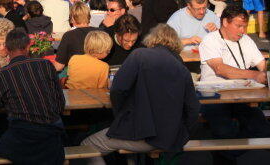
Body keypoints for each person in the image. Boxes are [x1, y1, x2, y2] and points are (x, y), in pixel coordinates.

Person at [81, 24, 200, 164]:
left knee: (87, 146)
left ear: (152, 40)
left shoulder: (140, 55)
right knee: (128, 147)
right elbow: (193, 108)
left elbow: (117, 90)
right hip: (171, 136)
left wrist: (120, 116)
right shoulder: (181, 66)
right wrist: (181, 133)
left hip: (144, 134)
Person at [0, 28, 65, 164]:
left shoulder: (1, 75)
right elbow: (60, 105)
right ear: (28, 46)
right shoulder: (46, 65)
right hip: (51, 140)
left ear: (6, 49)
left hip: (22, 140)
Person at [199, 5, 270, 163]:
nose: (242, 31)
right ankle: (226, 154)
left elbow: (262, 65)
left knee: (262, 128)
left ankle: (228, 153)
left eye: (244, 26)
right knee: (225, 131)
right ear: (225, 22)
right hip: (214, 96)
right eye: (238, 26)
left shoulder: (246, 40)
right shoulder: (210, 40)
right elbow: (220, 69)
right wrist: (255, 74)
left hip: (242, 96)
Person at [54, 2, 98, 71]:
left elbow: (59, 66)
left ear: (72, 18)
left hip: (77, 75)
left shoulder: (69, 35)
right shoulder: (100, 33)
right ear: (89, 16)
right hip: (97, 72)